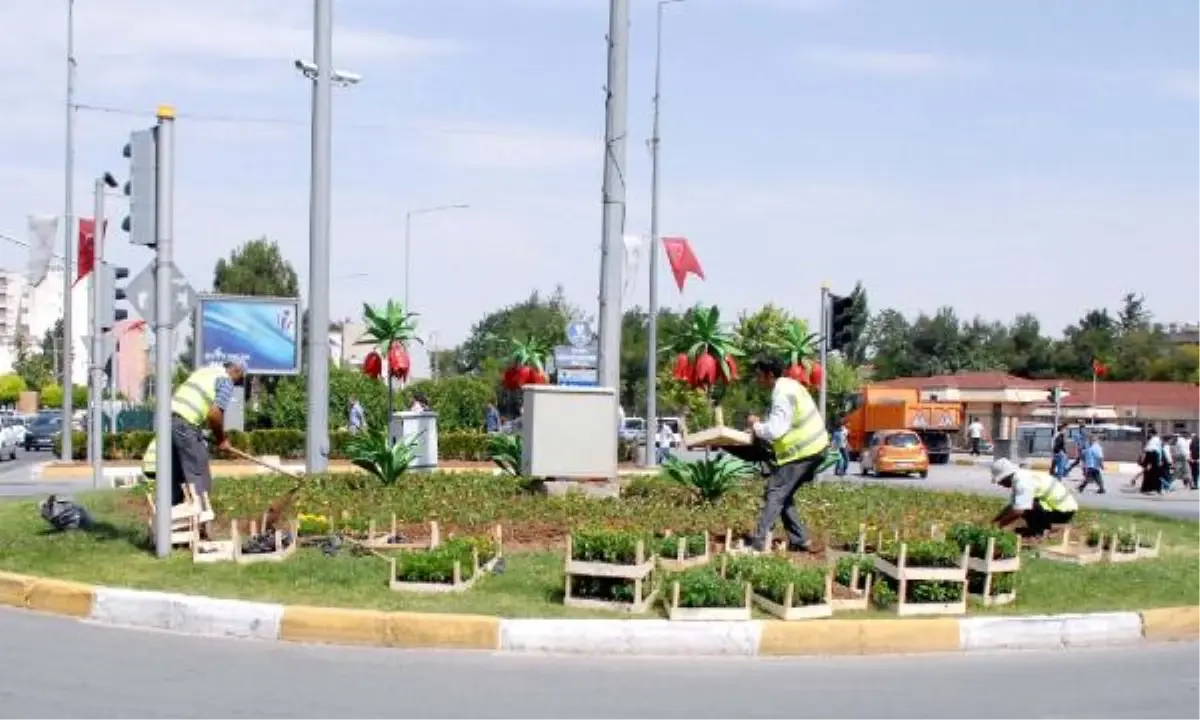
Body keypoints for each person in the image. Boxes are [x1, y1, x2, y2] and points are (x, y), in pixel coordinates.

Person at [744, 356, 830, 553]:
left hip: (803, 451)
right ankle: (800, 540)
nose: (758, 380)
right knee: (784, 494)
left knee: (775, 491)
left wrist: (755, 425)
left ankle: (759, 541)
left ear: (769, 375)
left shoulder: (781, 394)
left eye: (759, 375)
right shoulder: (790, 385)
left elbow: (776, 430)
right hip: (815, 447)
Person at [170, 358, 246, 534]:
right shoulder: (225, 381)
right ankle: (203, 527)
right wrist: (221, 439)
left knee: (176, 475)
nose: (237, 383)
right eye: (240, 378)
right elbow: (214, 415)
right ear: (236, 370)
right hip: (185, 424)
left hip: (169, 421)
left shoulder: (204, 371)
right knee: (199, 473)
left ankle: (173, 525)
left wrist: (198, 432)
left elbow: (193, 403)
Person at [990, 457, 1078, 538]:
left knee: (1026, 505)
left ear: (1006, 477)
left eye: (1000, 481)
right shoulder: (1020, 476)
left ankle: (1039, 531)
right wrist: (995, 521)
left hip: (1063, 512)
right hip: (1059, 507)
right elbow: (1012, 505)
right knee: (1023, 503)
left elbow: (1018, 511)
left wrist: (999, 525)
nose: (1000, 484)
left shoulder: (1022, 483)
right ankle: (1036, 528)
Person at [1139, 429, 1165, 494]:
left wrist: (1160, 459)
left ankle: (1156, 488)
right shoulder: (1151, 440)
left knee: (1154, 472)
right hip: (1150, 454)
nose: (1149, 434)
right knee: (1148, 472)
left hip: (1153, 455)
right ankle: (1147, 488)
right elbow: (1146, 449)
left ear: (1152, 433)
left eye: (1149, 433)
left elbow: (1159, 449)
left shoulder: (1156, 439)